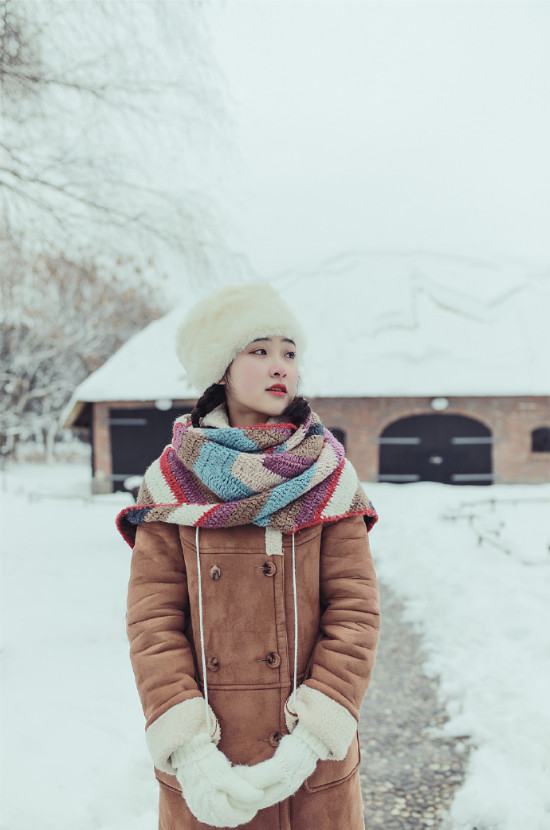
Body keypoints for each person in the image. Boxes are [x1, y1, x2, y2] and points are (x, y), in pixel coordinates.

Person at [116, 281, 380, 830]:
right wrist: (190, 752)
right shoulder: (169, 483)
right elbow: (153, 623)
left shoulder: (327, 474)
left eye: (289, 352)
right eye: (259, 351)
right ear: (220, 369)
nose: (279, 365)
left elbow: (354, 612)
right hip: (211, 760)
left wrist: (310, 741)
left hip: (310, 758)